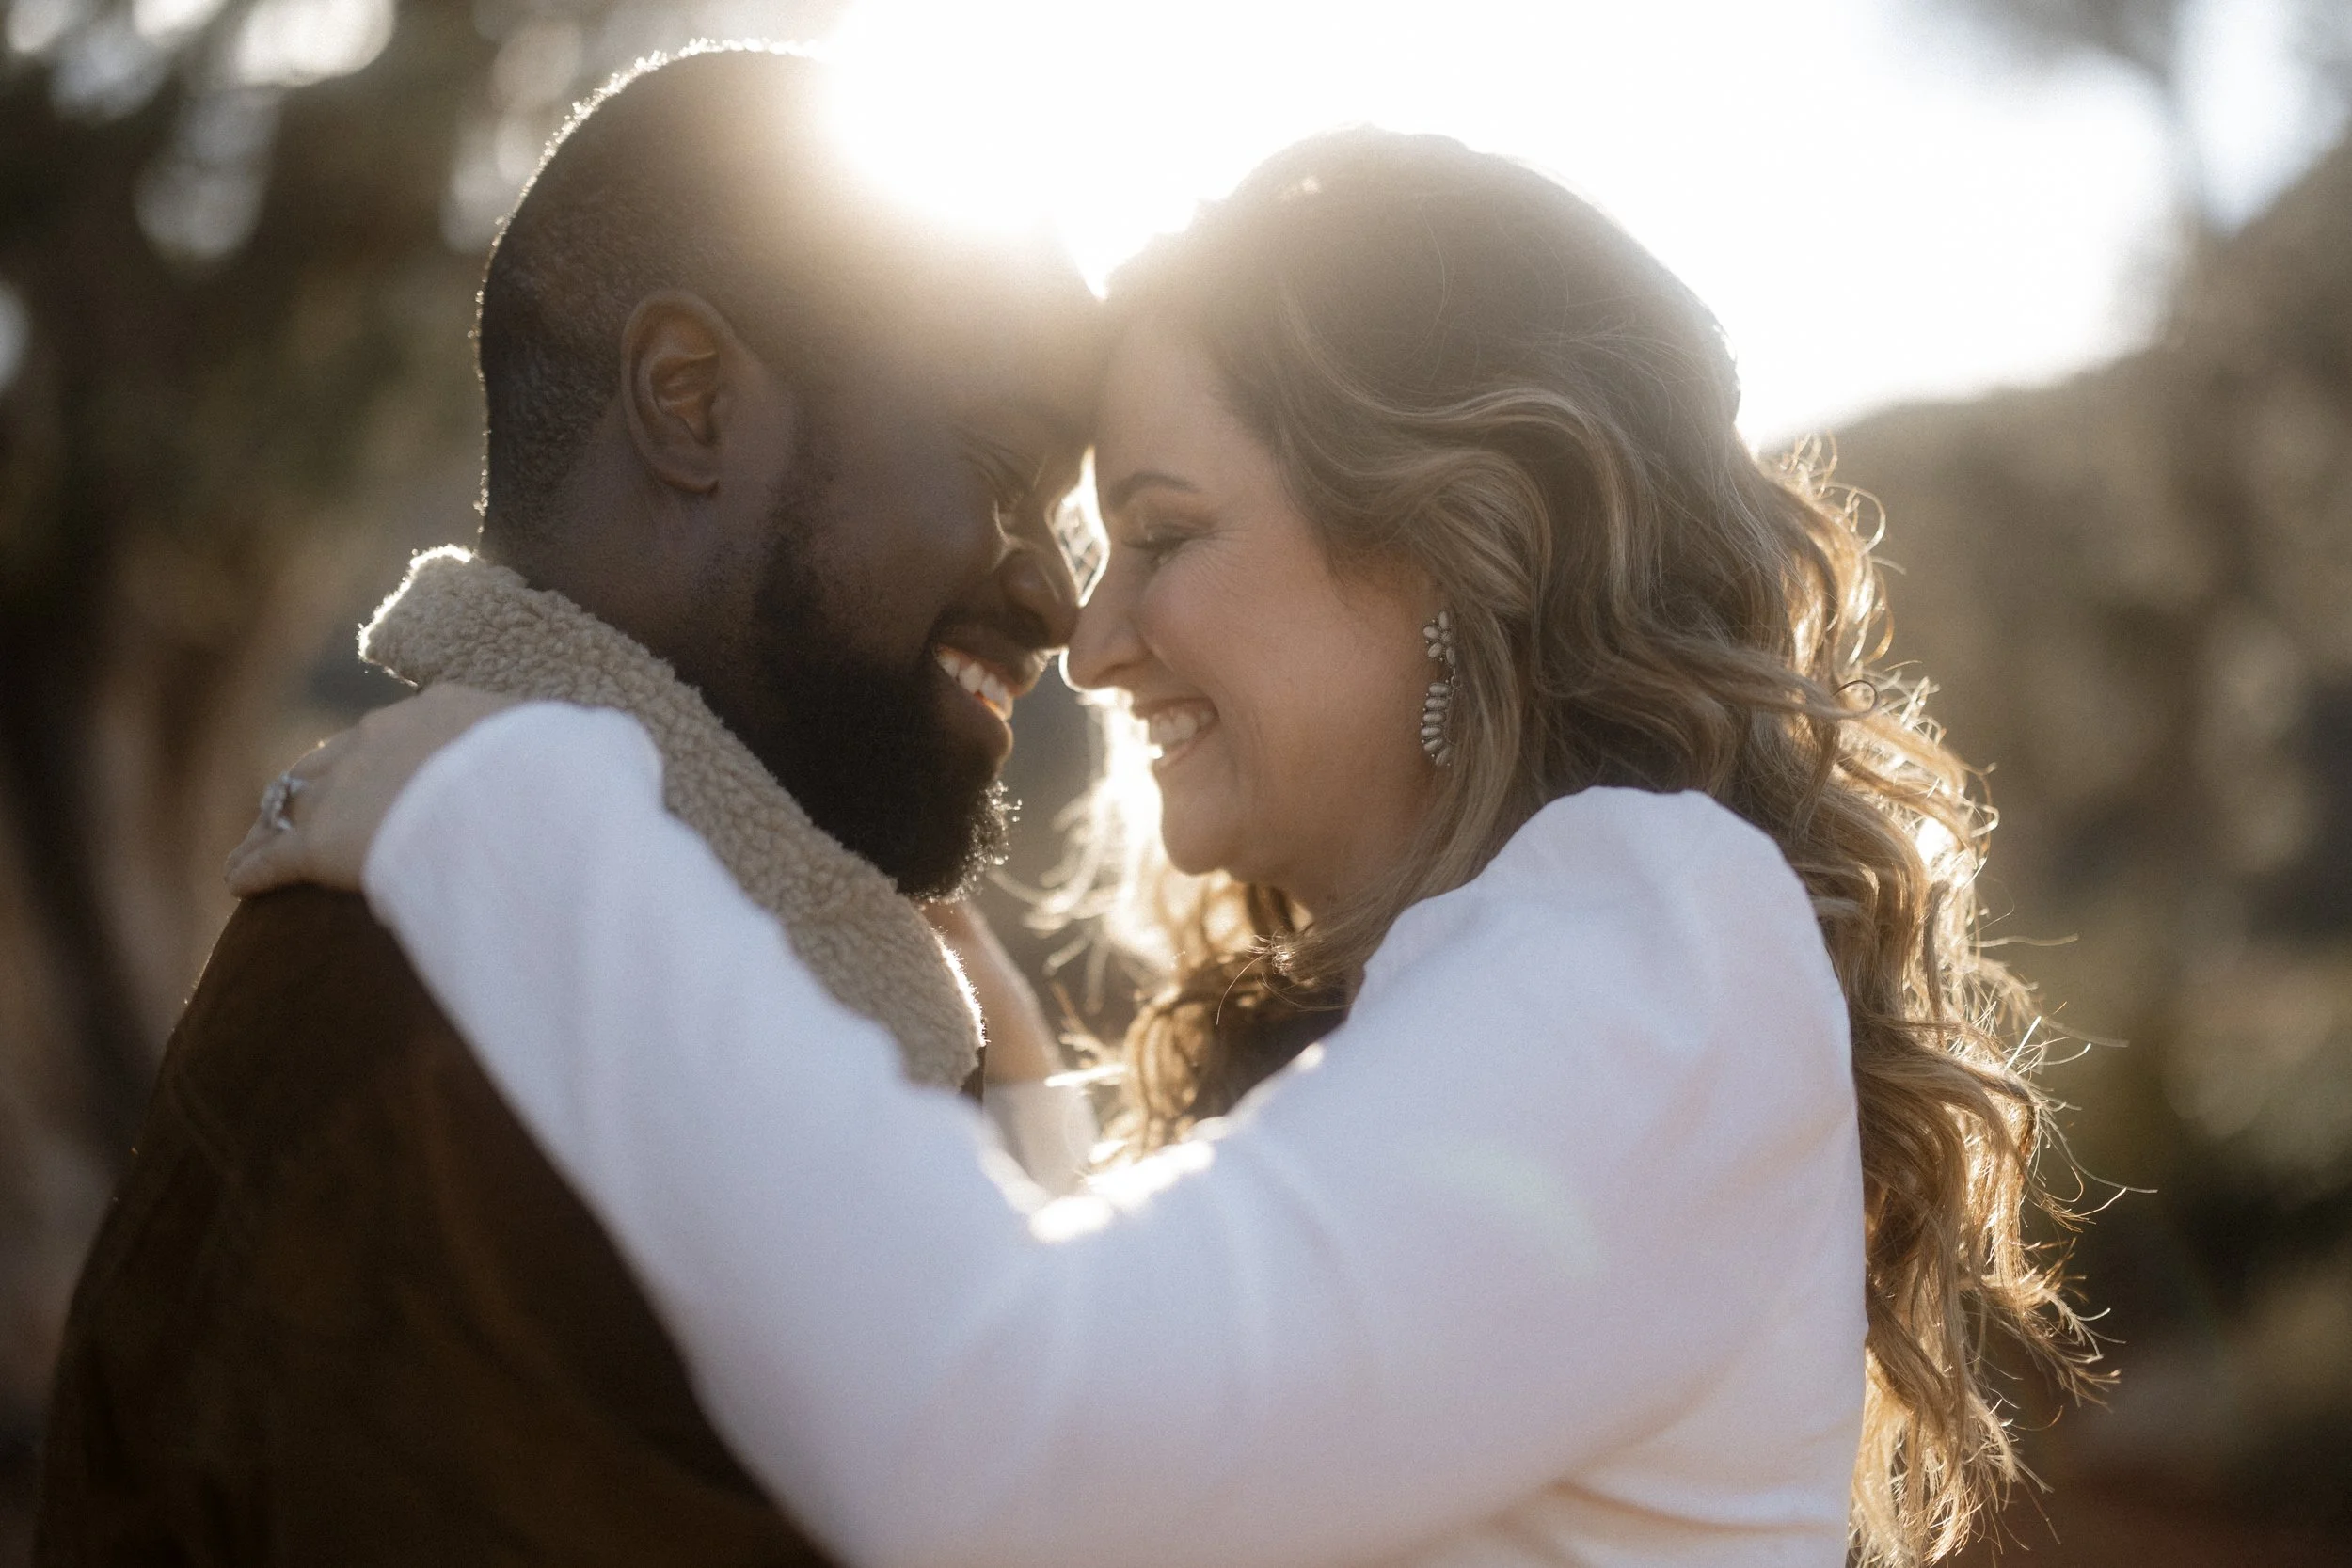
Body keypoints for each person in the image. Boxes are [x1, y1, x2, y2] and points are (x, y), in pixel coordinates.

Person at [231, 132, 2096, 1567]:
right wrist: (1039, 1137)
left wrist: (514, 798)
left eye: (1165, 527)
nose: (1092, 630)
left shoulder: (1654, 936)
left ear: (1454, 545)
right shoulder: (1531, 979)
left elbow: (1013, 1457)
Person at [36, 45, 1100, 1563]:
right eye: (1006, 468)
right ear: (690, 401)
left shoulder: (651, 980)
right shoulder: (443, 1029)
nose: (1057, 592)